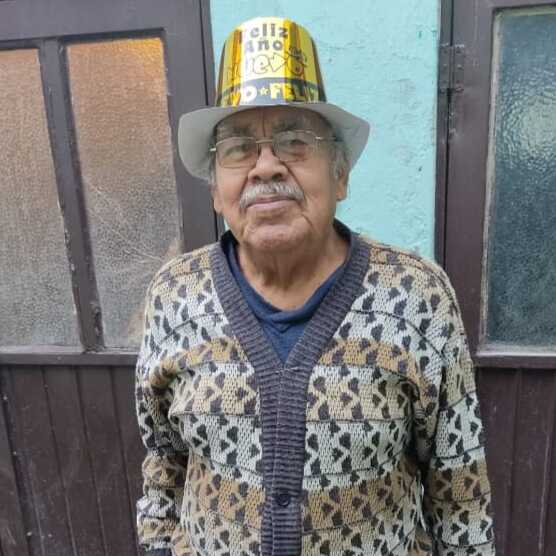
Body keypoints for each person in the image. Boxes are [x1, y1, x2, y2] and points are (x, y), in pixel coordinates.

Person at [135, 16, 495, 556]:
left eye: (295, 142)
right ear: (215, 190)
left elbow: (460, 494)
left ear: (340, 175)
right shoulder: (174, 295)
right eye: (238, 148)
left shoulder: (416, 296)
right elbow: (163, 466)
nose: (265, 168)